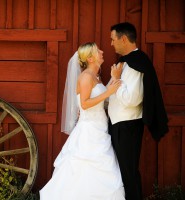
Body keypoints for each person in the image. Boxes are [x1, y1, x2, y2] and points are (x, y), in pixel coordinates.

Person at [39, 42, 125, 200]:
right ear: (91, 58)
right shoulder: (86, 77)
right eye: (98, 50)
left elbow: (101, 99)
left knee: (100, 170)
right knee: (85, 168)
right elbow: (85, 104)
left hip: (100, 128)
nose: (102, 51)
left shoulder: (95, 77)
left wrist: (113, 80)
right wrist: (109, 92)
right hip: (89, 131)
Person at [108, 22, 169, 200]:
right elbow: (111, 95)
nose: (111, 44)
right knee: (122, 172)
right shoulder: (125, 63)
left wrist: (116, 81)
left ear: (124, 39)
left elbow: (132, 100)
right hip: (118, 125)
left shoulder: (136, 64)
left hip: (127, 126)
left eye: (113, 39)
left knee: (129, 173)